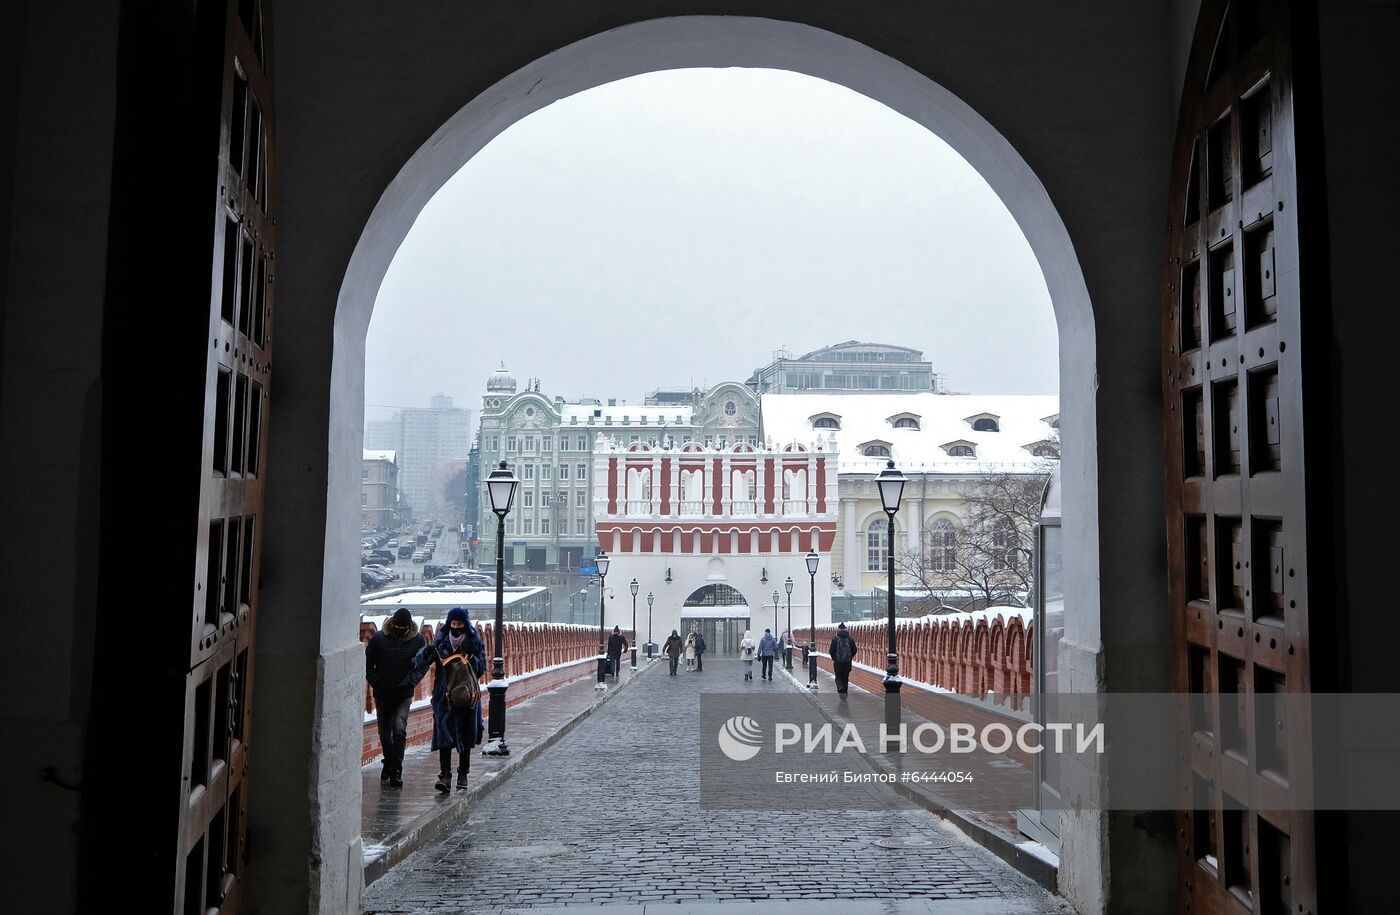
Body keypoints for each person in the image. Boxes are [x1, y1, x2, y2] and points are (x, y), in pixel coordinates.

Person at [408, 607, 485, 792]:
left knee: (465, 736)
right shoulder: (441, 642)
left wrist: (473, 660)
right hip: (444, 696)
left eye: (459, 625)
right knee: (444, 735)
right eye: (453, 624)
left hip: (467, 697)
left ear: (465, 625)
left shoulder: (473, 643)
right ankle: (445, 775)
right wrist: (426, 653)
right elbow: (421, 662)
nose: (456, 628)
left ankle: (463, 773)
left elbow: (482, 669)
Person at [364, 608, 422, 787]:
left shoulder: (417, 640)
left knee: (399, 727)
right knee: (383, 732)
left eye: (403, 627)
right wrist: (375, 681)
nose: (400, 629)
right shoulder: (379, 638)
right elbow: (368, 663)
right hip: (382, 693)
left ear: (409, 626)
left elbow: (423, 664)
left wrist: (411, 681)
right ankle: (388, 762)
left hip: (404, 694)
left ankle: (396, 770)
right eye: (397, 626)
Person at [829, 622, 858, 696]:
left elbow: (831, 651)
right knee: (845, 678)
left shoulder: (835, 639)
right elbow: (854, 650)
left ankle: (840, 687)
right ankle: (844, 694)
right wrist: (849, 657)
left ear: (838, 630)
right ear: (845, 629)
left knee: (838, 677)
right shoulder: (850, 639)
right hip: (847, 663)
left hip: (838, 663)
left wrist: (835, 658)